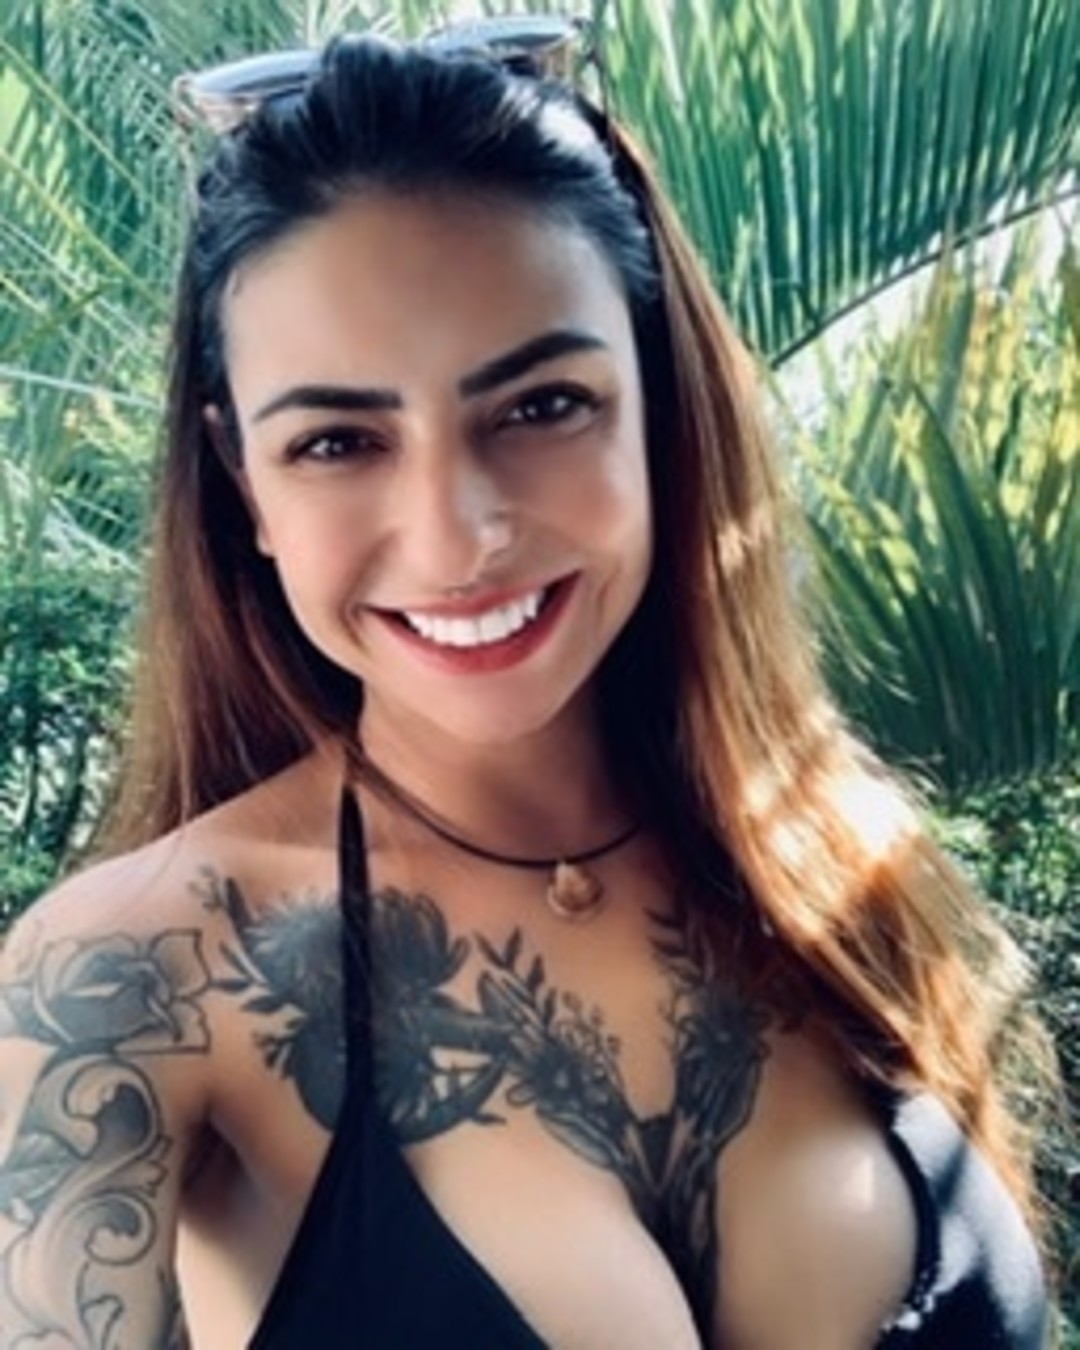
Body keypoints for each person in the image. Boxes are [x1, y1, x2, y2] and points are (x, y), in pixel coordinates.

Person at [0, 19, 1052, 1349]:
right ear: (243, 481)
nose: (460, 537)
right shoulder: (127, 984)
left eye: (543, 406)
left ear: (658, 398)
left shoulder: (844, 874)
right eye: (336, 441)